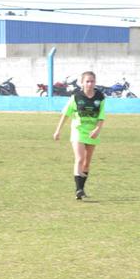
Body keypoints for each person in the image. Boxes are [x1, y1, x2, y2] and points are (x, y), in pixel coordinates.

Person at [53, 70, 106, 200]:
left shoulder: (100, 97)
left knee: (87, 163)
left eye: (92, 81)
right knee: (80, 159)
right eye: (87, 81)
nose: (90, 84)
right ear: (82, 83)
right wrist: (58, 130)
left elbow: (101, 116)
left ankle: (81, 188)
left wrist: (97, 130)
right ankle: (78, 190)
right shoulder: (76, 97)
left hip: (92, 132)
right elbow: (65, 114)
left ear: (95, 82)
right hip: (78, 131)